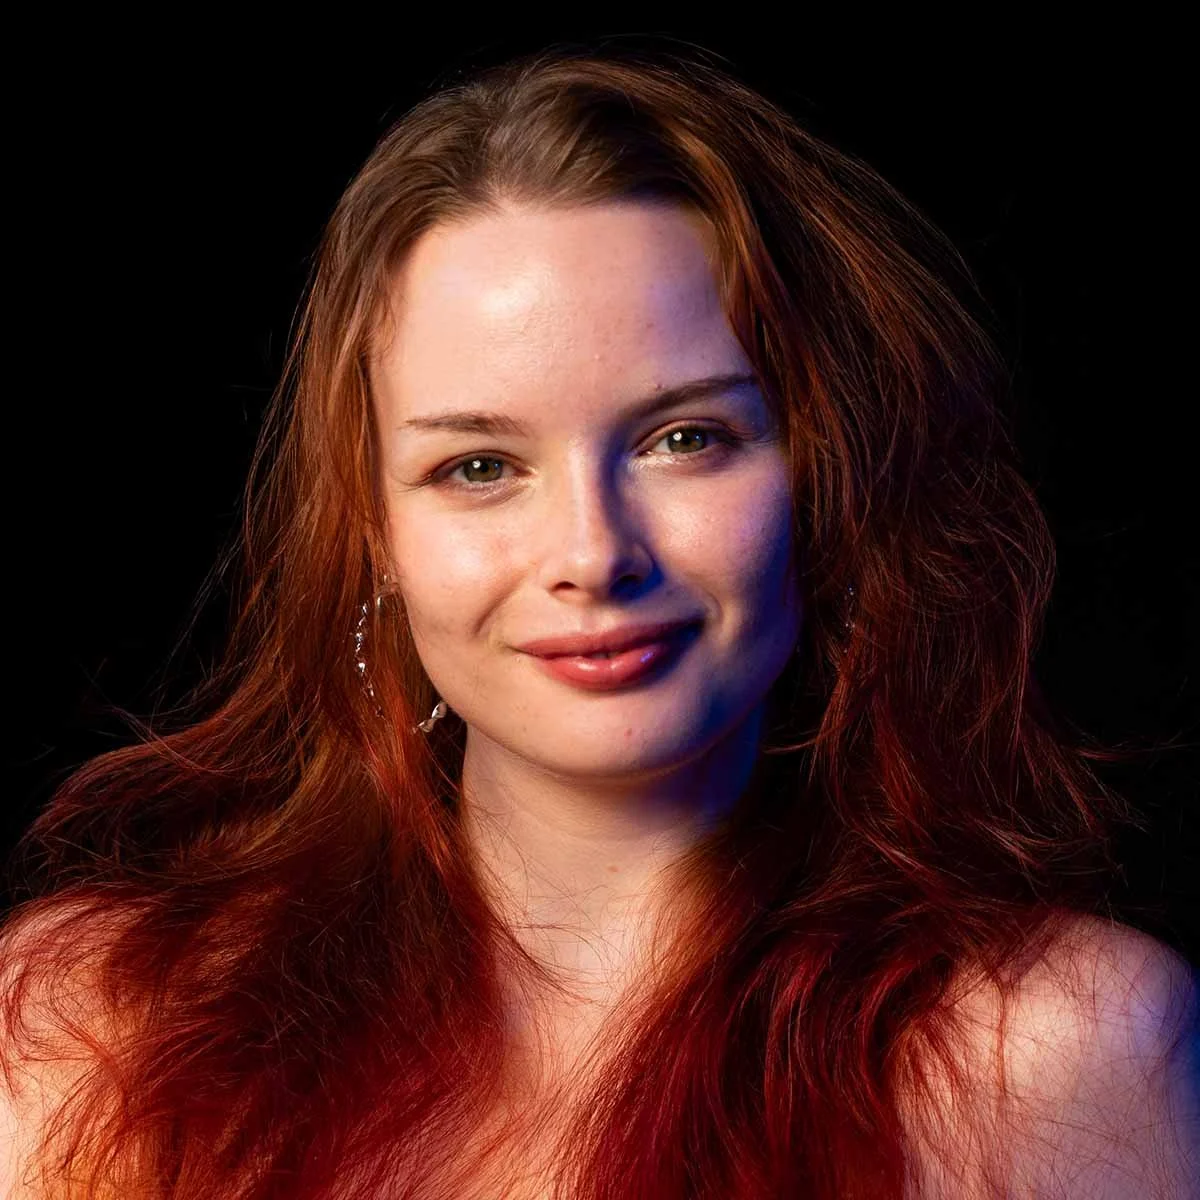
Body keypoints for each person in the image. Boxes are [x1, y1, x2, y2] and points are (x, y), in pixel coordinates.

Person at [2, 40, 1196, 1200]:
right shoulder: (76, 1024)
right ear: (375, 535)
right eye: (478, 467)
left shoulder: (1056, 1051)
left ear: (825, 477)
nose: (591, 554)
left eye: (685, 439)